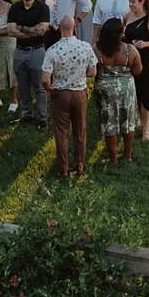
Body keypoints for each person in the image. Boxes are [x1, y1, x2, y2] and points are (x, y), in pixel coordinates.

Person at [42, 15, 97, 178]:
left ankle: (63, 168)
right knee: (80, 131)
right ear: (74, 28)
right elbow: (93, 72)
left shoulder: (53, 50)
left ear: (59, 28)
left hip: (60, 94)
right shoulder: (85, 47)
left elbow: (45, 78)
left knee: (62, 132)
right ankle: (79, 165)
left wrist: (50, 89)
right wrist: (81, 75)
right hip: (79, 93)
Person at [94, 17, 142, 165]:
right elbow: (138, 70)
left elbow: (92, 71)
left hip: (105, 90)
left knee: (110, 123)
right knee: (127, 121)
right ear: (120, 34)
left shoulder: (97, 50)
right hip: (126, 88)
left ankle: (113, 158)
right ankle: (127, 155)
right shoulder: (130, 50)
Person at [8, 0, 52, 125]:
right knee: (23, 85)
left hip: (37, 51)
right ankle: (26, 115)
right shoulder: (15, 8)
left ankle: (42, 118)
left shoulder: (42, 8)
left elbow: (41, 30)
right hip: (19, 51)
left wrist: (22, 27)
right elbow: (11, 31)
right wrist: (31, 30)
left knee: (39, 86)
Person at [123, 0, 149, 142]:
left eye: (134, 2)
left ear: (142, 2)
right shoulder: (127, 16)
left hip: (145, 60)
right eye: (129, 2)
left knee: (145, 93)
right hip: (130, 60)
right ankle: (136, 119)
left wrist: (145, 44)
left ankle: (146, 128)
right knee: (133, 92)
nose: (131, 5)